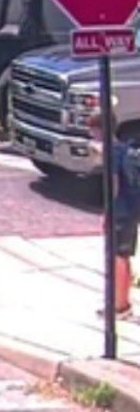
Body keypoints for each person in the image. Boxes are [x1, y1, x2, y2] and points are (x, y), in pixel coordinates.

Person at [89, 111, 139, 319]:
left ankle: (120, 305)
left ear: (99, 130)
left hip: (121, 211)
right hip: (131, 209)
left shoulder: (112, 153)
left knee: (118, 257)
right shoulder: (124, 148)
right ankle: (122, 302)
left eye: (92, 129)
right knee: (123, 256)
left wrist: (108, 212)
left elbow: (114, 185)